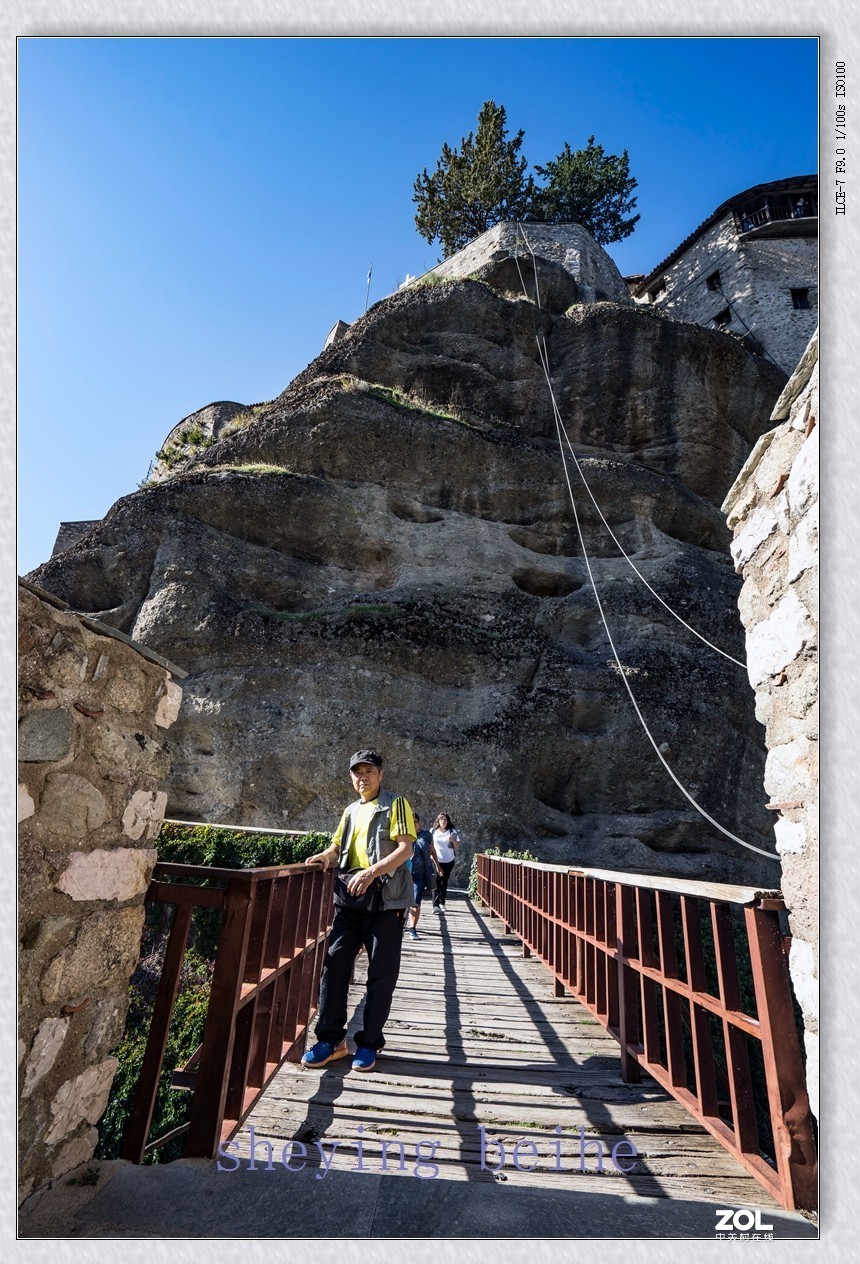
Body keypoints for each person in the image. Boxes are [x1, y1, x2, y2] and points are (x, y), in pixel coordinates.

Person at [301, 749, 416, 1072]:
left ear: (380, 775)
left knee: (381, 975)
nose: (362, 778)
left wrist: (371, 873)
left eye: (369, 771)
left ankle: (369, 1043)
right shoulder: (351, 811)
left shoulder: (396, 804)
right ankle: (331, 1041)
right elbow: (337, 848)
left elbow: (405, 850)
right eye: (357, 773)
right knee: (333, 965)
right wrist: (324, 857)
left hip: (386, 903)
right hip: (351, 901)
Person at [405, 813, 440, 940]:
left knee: (416, 901)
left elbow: (432, 851)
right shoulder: (404, 835)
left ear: (419, 822)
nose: (413, 823)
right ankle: (401, 924)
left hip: (420, 874)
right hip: (403, 873)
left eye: (415, 821)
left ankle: (412, 929)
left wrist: (437, 866)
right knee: (402, 901)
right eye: (410, 821)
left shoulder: (426, 835)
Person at [431, 812, 460, 913]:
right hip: (436, 861)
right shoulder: (433, 831)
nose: (443, 821)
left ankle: (442, 903)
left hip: (449, 861)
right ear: (438, 821)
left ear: (448, 821)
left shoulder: (452, 831)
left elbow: (457, 846)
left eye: (445, 819)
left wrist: (453, 840)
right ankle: (435, 905)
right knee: (436, 882)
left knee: (444, 882)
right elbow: (430, 845)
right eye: (441, 819)